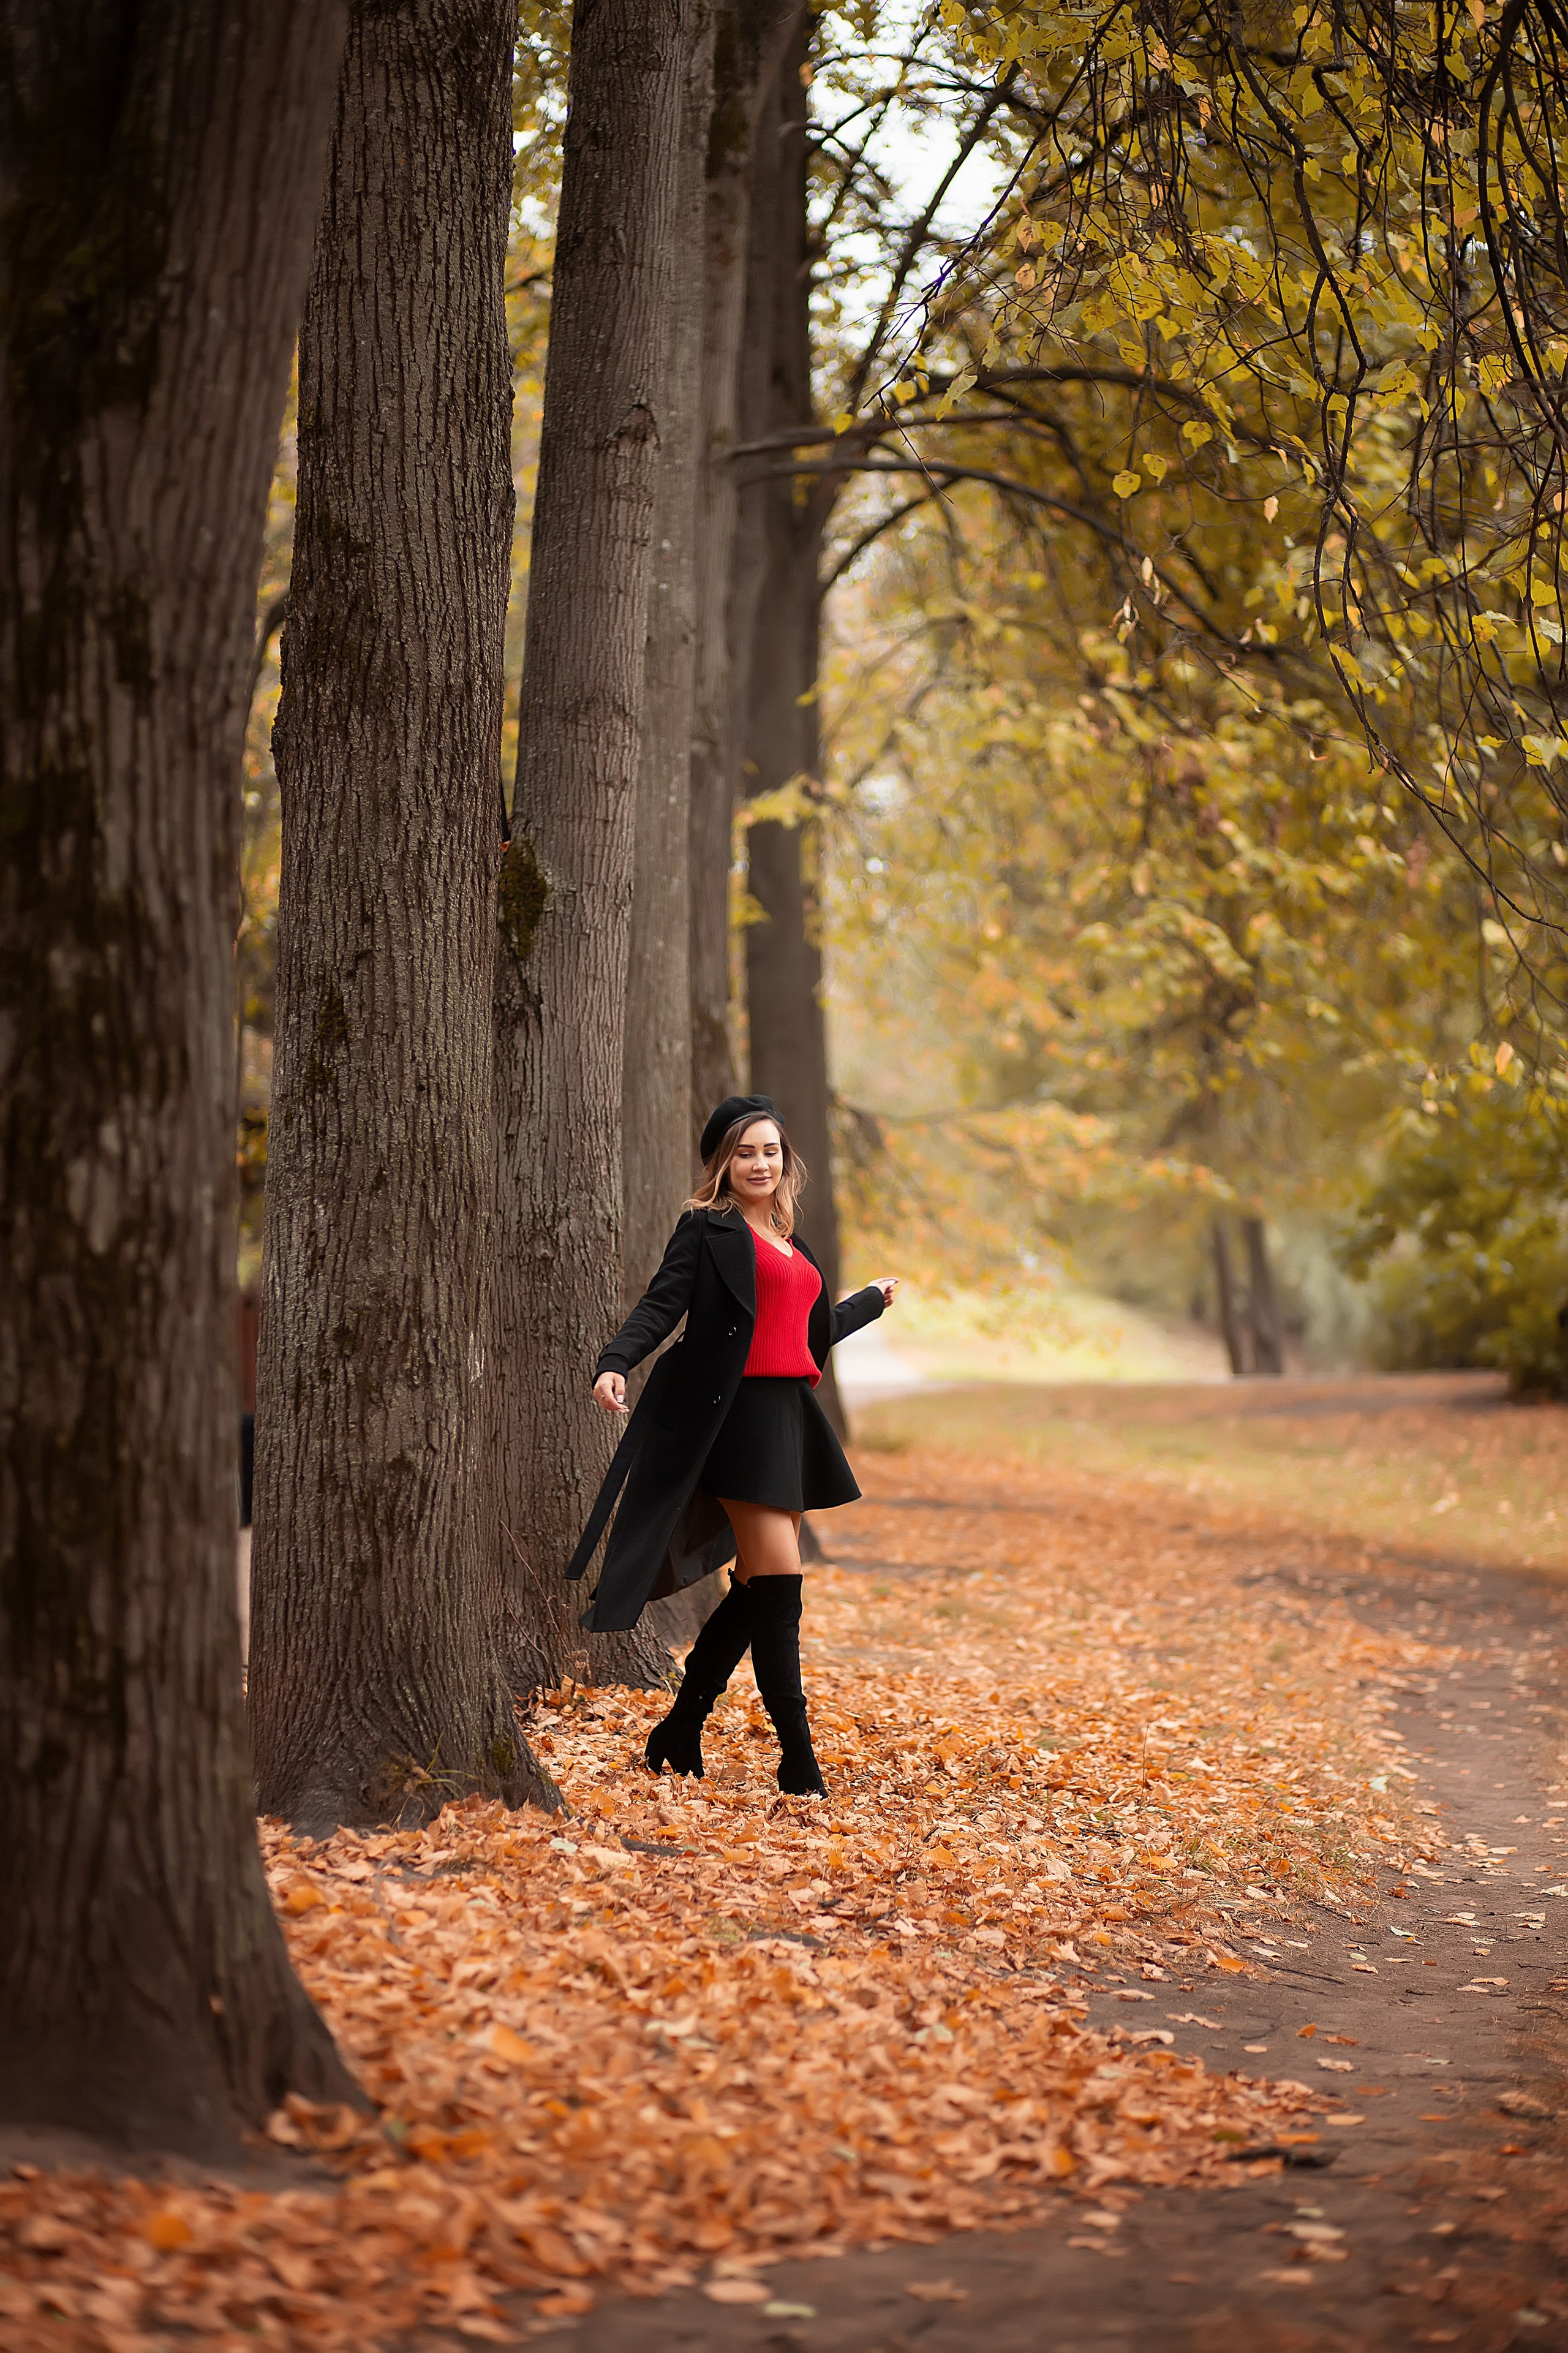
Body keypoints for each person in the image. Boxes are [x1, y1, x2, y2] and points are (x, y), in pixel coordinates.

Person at [567, 1093, 899, 1796]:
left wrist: (865, 1303)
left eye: (770, 1150)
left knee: (754, 1588)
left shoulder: (790, 1240)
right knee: (781, 1587)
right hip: (736, 1421)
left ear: (786, 1159)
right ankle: (799, 1758)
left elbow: (803, 1336)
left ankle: (681, 1726)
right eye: (745, 1151)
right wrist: (613, 1361)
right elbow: (661, 1305)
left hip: (789, 1418)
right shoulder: (708, 1230)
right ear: (723, 1160)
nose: (760, 1162)